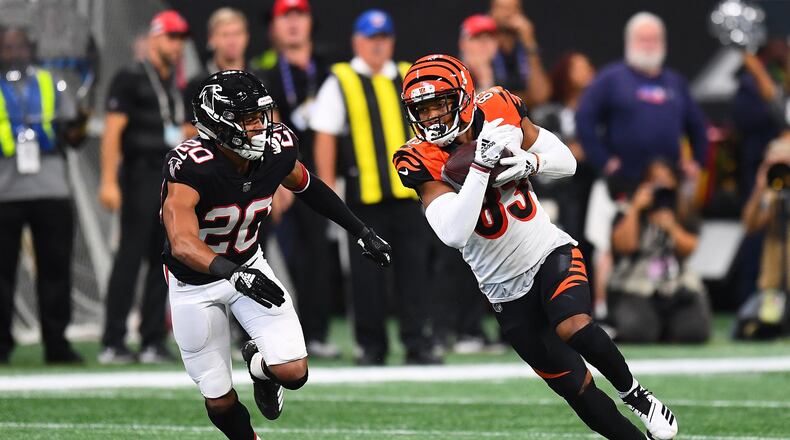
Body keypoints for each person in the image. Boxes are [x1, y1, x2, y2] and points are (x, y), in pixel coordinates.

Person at [393, 54, 677, 439]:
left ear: (462, 96)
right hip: (502, 289)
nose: (432, 118)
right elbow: (454, 233)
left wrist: (530, 161)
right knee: (576, 388)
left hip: (546, 250)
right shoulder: (416, 155)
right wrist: (480, 167)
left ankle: (636, 394)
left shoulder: (497, 106)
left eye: (439, 104)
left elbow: (566, 162)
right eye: (422, 110)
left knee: (573, 325)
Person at [161, 69, 391, 439]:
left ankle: (260, 370)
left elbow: (307, 185)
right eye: (248, 119)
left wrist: (361, 231)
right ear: (218, 124)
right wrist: (231, 274)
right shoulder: (191, 166)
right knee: (218, 399)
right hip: (195, 284)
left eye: (259, 116)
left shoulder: (275, 150)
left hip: (248, 262)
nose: (260, 127)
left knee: (293, 371)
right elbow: (182, 242)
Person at [312, 9, 439, 365]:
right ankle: (371, 345)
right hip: (361, 199)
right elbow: (325, 136)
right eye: (371, 38)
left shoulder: (407, 75)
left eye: (383, 38)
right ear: (357, 41)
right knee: (366, 276)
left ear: (392, 41)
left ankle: (418, 342)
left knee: (415, 272)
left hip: (409, 195)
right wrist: (329, 196)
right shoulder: (341, 79)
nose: (378, 45)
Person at [97, 10, 188, 364]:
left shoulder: (174, 84)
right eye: (171, 36)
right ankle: (113, 340)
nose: (177, 45)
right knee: (129, 259)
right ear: (154, 38)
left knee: (162, 260)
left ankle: (152, 339)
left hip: (169, 181)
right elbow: (112, 133)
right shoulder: (130, 77)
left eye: (181, 38)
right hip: (138, 176)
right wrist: (107, 180)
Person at [0, 27, 83, 364]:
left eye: (19, 46)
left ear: (31, 48)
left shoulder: (51, 82)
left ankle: (57, 343)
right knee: (2, 274)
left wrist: (77, 126)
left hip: (51, 188)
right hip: (4, 192)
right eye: (6, 47)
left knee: (55, 270)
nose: (13, 52)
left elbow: (72, 136)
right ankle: (1, 344)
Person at [260, 0, 338, 358]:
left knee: (318, 256)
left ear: (310, 22)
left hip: (317, 175)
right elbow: (266, 128)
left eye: (299, 16)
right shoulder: (267, 71)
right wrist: (276, 180)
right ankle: (257, 334)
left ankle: (316, 335)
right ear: (274, 26)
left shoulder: (330, 69)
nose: (293, 24)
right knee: (260, 253)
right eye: (285, 17)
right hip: (277, 177)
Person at [576, 12, 708, 193]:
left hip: (668, 183)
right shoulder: (611, 79)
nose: (649, 45)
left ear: (664, 42)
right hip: (624, 181)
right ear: (629, 42)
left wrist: (697, 162)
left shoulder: (675, 82)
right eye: (643, 39)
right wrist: (603, 160)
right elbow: (584, 119)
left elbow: (698, 125)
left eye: (654, 39)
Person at [609, 159, 710, 343]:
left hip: (677, 285)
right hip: (637, 285)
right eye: (654, 180)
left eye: (666, 180)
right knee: (638, 333)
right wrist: (636, 208)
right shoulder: (628, 210)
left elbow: (690, 248)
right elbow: (624, 246)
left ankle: (668, 326)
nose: (661, 185)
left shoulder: (683, 209)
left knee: (694, 333)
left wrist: (672, 228)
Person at [488, 0, 551, 106]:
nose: (507, 13)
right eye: (502, 8)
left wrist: (529, 41)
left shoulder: (524, 44)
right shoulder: (482, 41)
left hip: (524, 114)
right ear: (492, 11)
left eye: (513, 8)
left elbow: (541, 95)